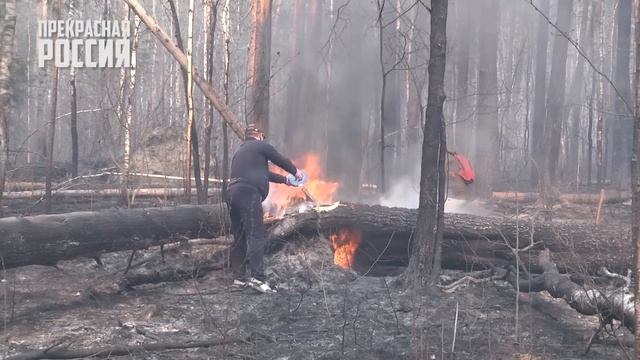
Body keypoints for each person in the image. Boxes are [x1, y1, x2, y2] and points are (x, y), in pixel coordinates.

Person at [227, 124, 303, 293]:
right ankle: (257, 278)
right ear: (259, 135)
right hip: (248, 192)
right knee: (256, 234)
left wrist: (285, 180)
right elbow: (279, 159)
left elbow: (263, 173)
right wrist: (295, 171)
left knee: (239, 236)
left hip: (232, 192)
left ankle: (239, 277)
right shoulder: (261, 146)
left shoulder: (241, 152)